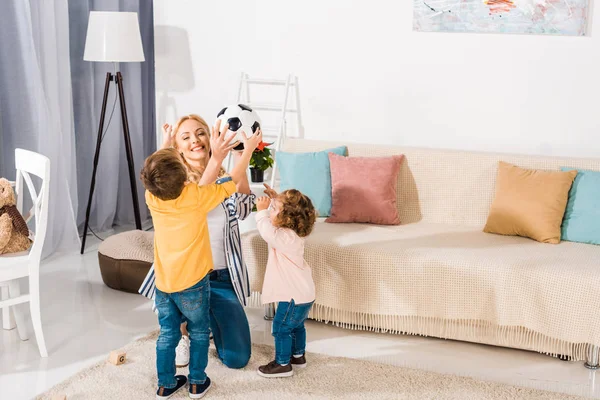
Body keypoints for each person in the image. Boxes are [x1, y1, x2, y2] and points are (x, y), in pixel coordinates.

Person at [141, 128, 261, 399]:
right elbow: (232, 178)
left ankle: (165, 384)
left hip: (166, 285)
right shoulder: (196, 197)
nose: (194, 141)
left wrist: (165, 145)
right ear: (183, 175)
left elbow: (155, 169)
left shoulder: (153, 198)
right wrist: (248, 150)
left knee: (166, 335)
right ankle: (197, 382)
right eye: (184, 138)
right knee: (198, 332)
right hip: (195, 285)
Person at [254, 189, 317, 378]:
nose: (270, 210)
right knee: (297, 326)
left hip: (292, 295)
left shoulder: (283, 238)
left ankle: (282, 364)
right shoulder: (294, 234)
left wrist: (262, 211)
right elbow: (284, 217)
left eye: (274, 208)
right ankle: (298, 356)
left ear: (286, 218)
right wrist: (275, 199)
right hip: (303, 294)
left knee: (281, 328)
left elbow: (266, 230)